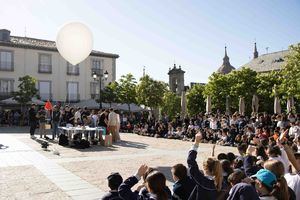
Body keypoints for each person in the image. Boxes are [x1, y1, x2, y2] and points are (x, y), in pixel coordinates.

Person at [187, 132, 224, 200]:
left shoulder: (203, 181)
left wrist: (196, 142)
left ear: (205, 168)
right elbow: (214, 164)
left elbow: (190, 161)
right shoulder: (221, 182)